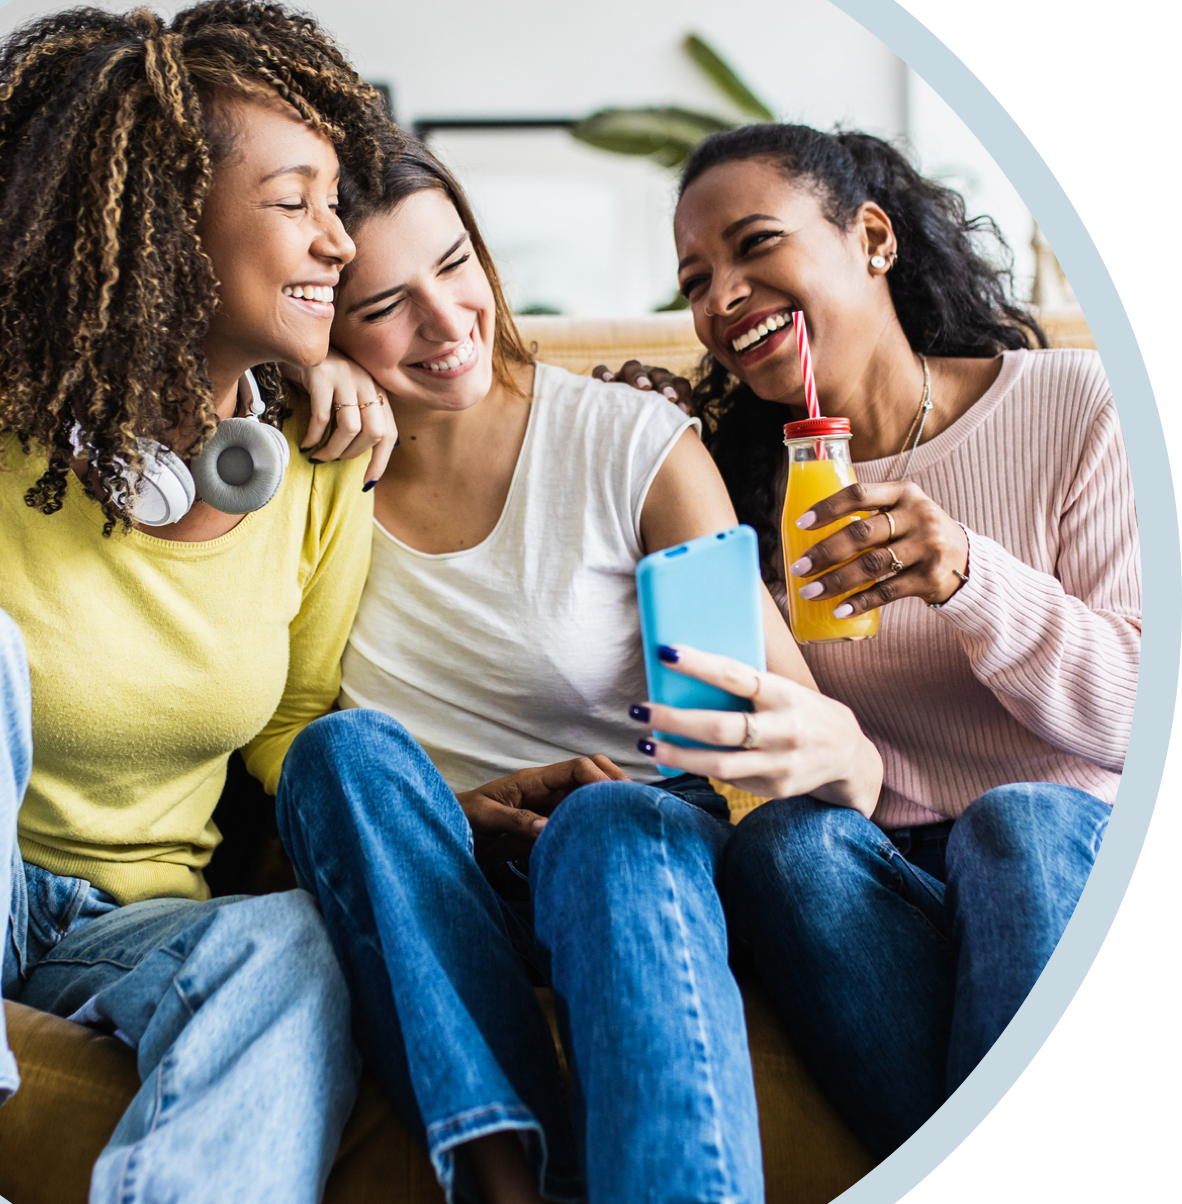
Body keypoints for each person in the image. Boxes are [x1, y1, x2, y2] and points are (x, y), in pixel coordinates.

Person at [272, 134, 883, 1204]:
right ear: (323, 317)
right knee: (345, 750)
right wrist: (456, 812)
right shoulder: (303, 481)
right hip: (436, 884)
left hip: (632, 852)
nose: (448, 320)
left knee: (606, 827)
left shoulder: (623, 444)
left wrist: (808, 749)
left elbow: (771, 732)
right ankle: (508, 1178)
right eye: (382, 306)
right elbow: (305, 764)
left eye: (455, 263)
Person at [614, 123, 1136, 1158]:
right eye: (697, 279)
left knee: (1019, 822)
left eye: (756, 246)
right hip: (874, 866)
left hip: (1058, 855)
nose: (723, 297)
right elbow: (733, 727)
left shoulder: (1072, 404)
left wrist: (967, 578)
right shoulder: (733, 483)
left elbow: (1131, 717)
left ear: (873, 237)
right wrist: (643, 460)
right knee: (785, 847)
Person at [0, 5, 399, 1199]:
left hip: (119, 930)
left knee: (290, 947)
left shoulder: (322, 471)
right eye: (296, 201)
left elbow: (293, 722)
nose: (340, 242)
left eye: (340, 203)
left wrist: (445, 814)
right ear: (170, 220)